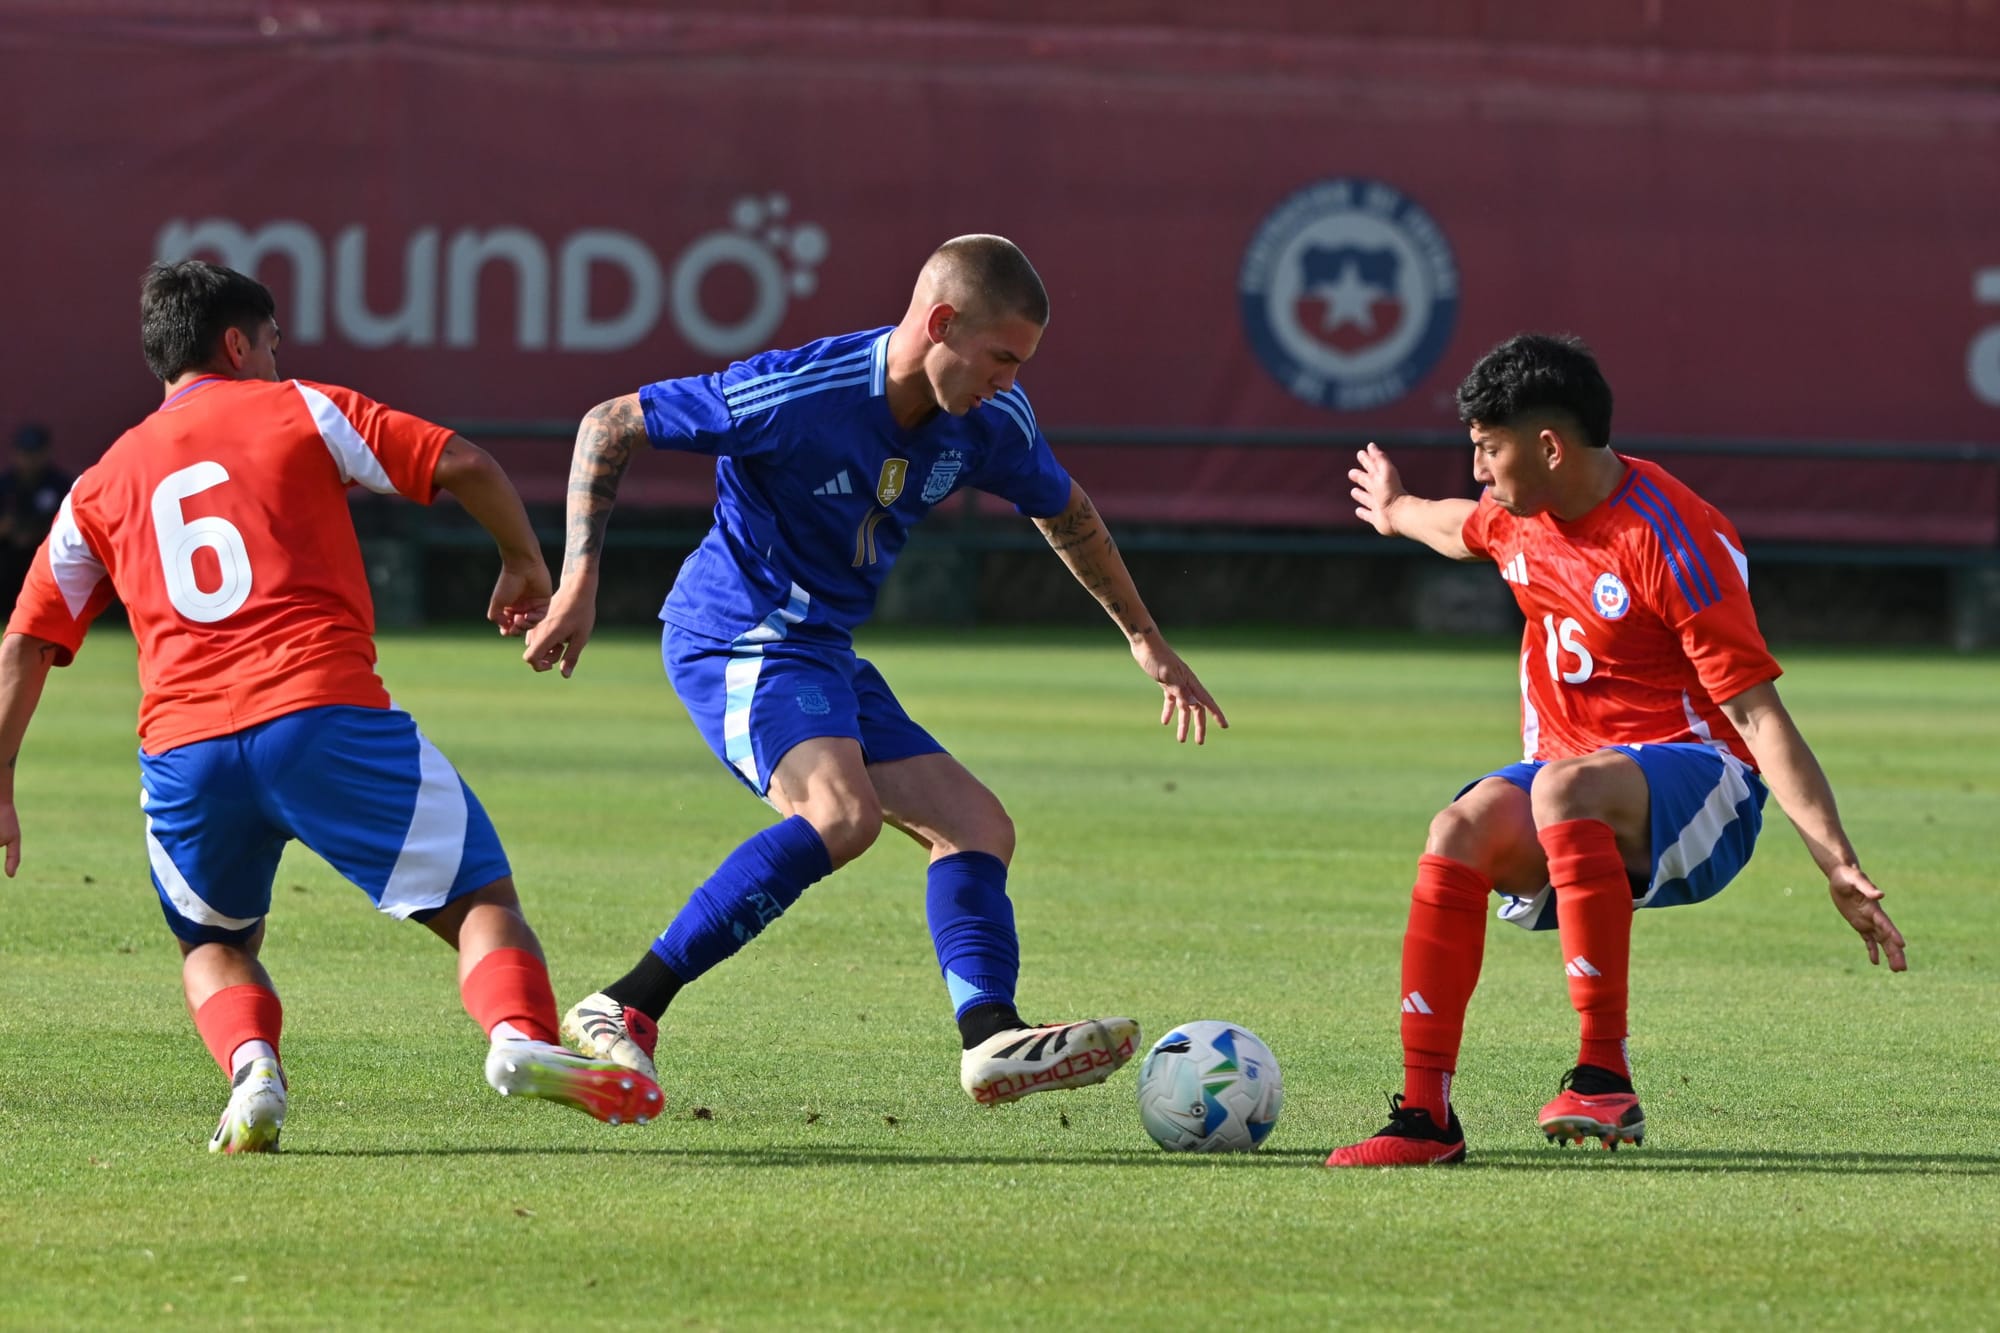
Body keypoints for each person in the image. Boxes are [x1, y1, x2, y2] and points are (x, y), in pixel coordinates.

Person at [523, 234, 1227, 1105]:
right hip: (739, 633)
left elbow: (1067, 510)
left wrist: (1143, 637)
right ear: (940, 323)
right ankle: (624, 1005)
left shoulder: (989, 418)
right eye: (1001, 355)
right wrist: (580, 581)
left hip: (823, 650)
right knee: (840, 816)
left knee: (977, 825)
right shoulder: (799, 393)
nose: (1011, 379)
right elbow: (610, 422)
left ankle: (989, 1037)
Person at [0, 260, 663, 1153]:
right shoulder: (300, 407)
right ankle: (516, 1038)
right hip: (323, 715)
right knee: (477, 901)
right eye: (271, 343)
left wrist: (1, 779)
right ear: (237, 343)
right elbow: (462, 460)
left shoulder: (100, 483)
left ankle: (253, 1073)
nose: (279, 357)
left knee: (211, 940)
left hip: (186, 750)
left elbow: (25, 641)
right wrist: (523, 560)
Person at [1324, 332, 1906, 1167]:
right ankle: (1426, 1117)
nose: (1480, 472)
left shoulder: (1670, 539)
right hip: (1583, 792)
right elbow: (1460, 527)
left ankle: (1604, 1074)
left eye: (1489, 450)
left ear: (1550, 445)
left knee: (1562, 789)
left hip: (1706, 788)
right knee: (1459, 826)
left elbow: (1757, 713)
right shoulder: (1524, 518)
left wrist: (1835, 861)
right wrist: (1394, 510)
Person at [0, 423, 74, 614]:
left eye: (34, 453)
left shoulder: (59, 485)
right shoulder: (5, 485)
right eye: (25, 453)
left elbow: (71, 526)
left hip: (45, 553)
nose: (29, 460)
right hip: (8, 554)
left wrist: (37, 532)